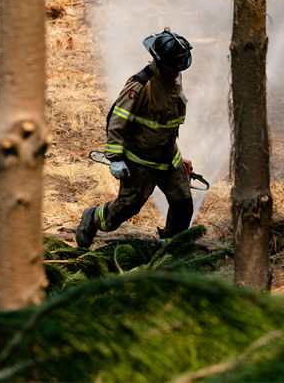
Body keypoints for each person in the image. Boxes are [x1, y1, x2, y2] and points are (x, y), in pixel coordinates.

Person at [76, 28, 195, 249]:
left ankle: (170, 248)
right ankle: (92, 217)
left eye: (178, 68)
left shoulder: (174, 77)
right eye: (171, 68)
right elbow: (117, 121)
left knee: (183, 202)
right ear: (159, 62)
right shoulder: (140, 86)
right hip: (140, 162)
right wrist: (115, 158)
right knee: (126, 208)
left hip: (168, 159)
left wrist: (178, 156)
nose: (175, 72)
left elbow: (164, 121)